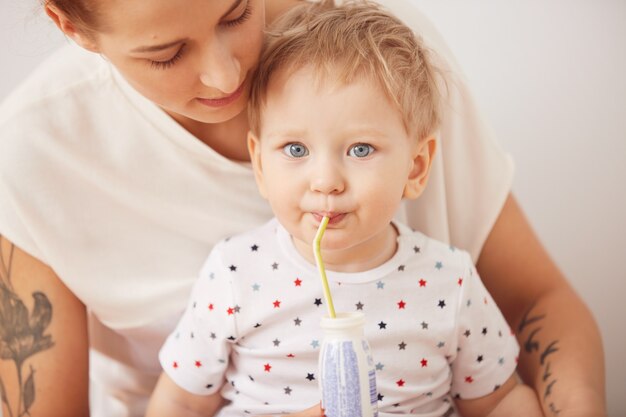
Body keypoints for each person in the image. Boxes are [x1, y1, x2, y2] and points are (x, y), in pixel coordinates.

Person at [0, 0, 604, 416]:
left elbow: (537, 308)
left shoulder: (379, 56)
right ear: (71, 27)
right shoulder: (36, 154)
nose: (223, 74)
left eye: (237, 12)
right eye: (165, 54)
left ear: (416, 162)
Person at [144, 3, 543, 416]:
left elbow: (502, 401)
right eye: (296, 149)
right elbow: (180, 404)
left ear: (416, 167)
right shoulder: (235, 274)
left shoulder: (450, 283)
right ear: (261, 165)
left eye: (360, 149)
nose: (326, 181)